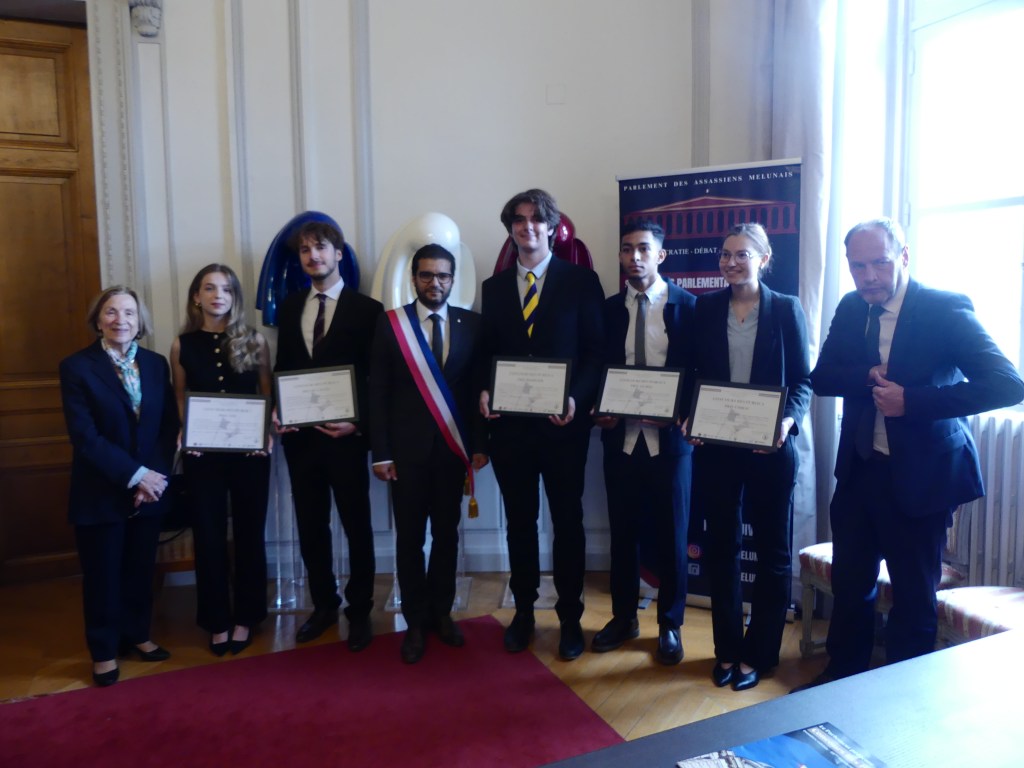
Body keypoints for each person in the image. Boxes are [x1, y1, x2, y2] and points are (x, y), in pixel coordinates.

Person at [798, 218, 1024, 689]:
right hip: (860, 471)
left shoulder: (944, 309)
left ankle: (902, 698)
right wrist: (866, 375)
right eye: (858, 266)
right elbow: (822, 377)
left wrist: (912, 401)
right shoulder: (851, 306)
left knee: (913, 597)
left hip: (923, 477)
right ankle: (840, 682)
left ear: (904, 255)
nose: (869, 276)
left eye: (880, 263)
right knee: (850, 585)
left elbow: (1007, 384)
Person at [479, 188, 605, 661]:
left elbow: (595, 353)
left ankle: (570, 617)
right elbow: (487, 354)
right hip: (510, 431)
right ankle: (524, 612)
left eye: (536, 219)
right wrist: (486, 390)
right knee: (519, 523)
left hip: (563, 427)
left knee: (568, 522)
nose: (527, 226)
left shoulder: (582, 282)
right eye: (519, 219)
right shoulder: (494, 288)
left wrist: (576, 397)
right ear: (510, 228)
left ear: (552, 227)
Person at [687, 223, 811, 691]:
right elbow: (694, 373)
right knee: (722, 548)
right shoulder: (705, 308)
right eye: (725, 254)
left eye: (742, 254)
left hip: (770, 447)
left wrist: (787, 422)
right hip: (717, 449)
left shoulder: (786, 309)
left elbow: (803, 380)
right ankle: (727, 649)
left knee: (774, 553)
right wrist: (690, 414)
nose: (731, 262)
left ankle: (759, 654)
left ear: (763, 259)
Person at [369, 244, 488, 663]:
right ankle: (415, 620)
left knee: (446, 536)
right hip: (406, 455)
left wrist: (479, 446)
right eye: (426, 275)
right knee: (410, 539)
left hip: (452, 453)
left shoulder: (472, 325)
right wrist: (381, 453)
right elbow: (378, 392)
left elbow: (476, 391)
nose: (434, 283)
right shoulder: (391, 325)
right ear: (414, 278)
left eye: (442, 275)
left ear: (453, 279)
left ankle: (441, 612)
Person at [59, 286, 179, 686]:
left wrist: (151, 479)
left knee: (140, 570)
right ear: (98, 319)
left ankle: (138, 635)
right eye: (111, 312)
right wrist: (135, 475)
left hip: (149, 491)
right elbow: (85, 437)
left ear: (139, 320)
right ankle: (104, 651)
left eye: (129, 312)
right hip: (100, 491)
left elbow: (166, 427)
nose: (120, 320)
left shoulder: (155, 364)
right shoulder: (77, 367)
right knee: (103, 575)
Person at [273, 220, 383, 651]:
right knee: (311, 525)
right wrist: (279, 407)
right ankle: (323, 605)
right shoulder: (289, 307)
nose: (313, 256)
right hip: (301, 441)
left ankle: (359, 610)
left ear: (339, 253)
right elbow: (284, 366)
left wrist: (360, 424)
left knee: (357, 526)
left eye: (320, 247)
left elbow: (377, 379)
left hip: (346, 439)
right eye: (305, 250)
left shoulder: (368, 310)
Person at [592, 220, 695, 665]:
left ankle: (670, 624)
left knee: (673, 536)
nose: (634, 256)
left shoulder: (689, 307)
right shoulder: (607, 309)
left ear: (661, 255)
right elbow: (596, 367)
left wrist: (682, 412)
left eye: (643, 249)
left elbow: (699, 371)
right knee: (623, 534)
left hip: (669, 443)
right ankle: (623, 618)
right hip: (621, 438)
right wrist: (598, 408)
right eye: (626, 249)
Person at [170, 264, 272, 657]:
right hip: (203, 454)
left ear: (235, 297)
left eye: (226, 289)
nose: (218, 296)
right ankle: (216, 620)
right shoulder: (181, 345)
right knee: (208, 536)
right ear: (196, 296)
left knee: (249, 533)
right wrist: (186, 433)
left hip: (250, 453)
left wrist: (264, 432)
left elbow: (265, 394)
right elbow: (180, 397)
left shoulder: (254, 340)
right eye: (209, 289)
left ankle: (247, 616)